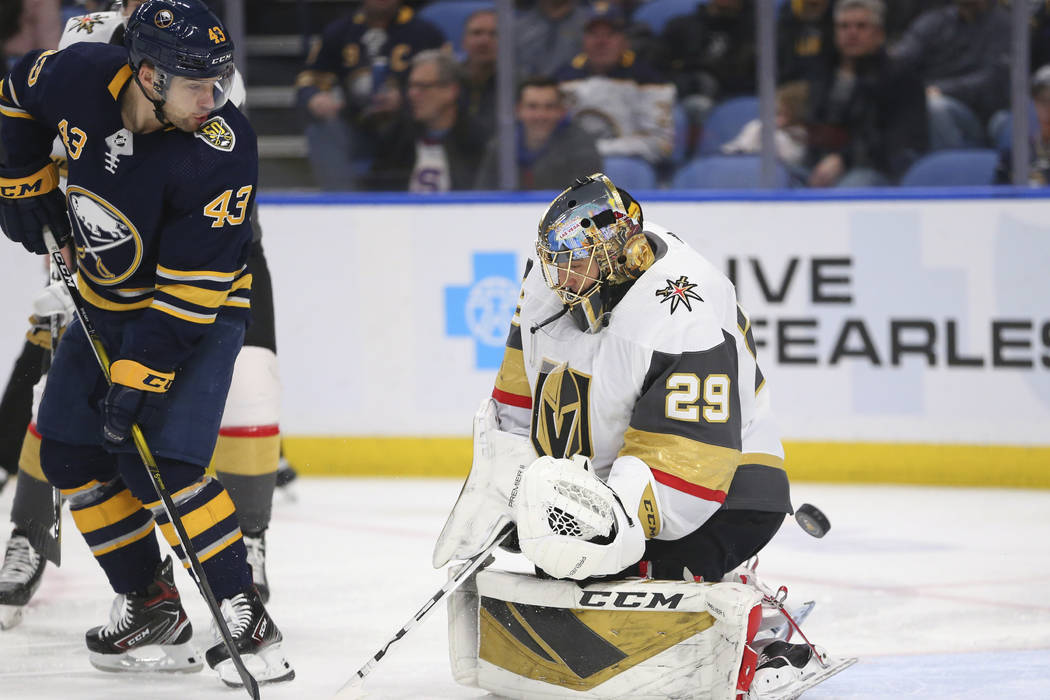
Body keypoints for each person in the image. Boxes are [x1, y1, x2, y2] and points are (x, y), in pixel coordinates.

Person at [432, 172, 847, 699]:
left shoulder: (683, 314)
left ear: (620, 258)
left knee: (622, 568)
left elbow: (688, 460)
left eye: (575, 262)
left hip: (725, 483)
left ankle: (760, 630)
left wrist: (604, 530)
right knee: (561, 562)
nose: (558, 276)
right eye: (553, 259)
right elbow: (518, 390)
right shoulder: (551, 278)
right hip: (604, 480)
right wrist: (510, 492)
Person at [0, 0, 293, 686]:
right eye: (195, 83)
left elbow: (189, 297)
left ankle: (246, 615)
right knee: (69, 453)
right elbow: (15, 90)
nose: (211, 97)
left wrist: (141, 373)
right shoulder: (78, 76)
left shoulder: (223, 147)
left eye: (217, 80)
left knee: (162, 460)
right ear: (146, 74)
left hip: (202, 310)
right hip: (103, 301)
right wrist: (19, 183)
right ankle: (151, 604)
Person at [295, 0, 446, 189]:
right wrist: (315, 98)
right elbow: (309, 78)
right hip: (355, 125)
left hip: (408, 128)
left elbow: (448, 82)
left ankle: (405, 201)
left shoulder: (425, 33)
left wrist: (406, 100)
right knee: (321, 132)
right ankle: (341, 203)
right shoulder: (339, 31)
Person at [805, 0, 927, 187]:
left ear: (879, 34)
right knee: (774, 177)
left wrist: (843, 160)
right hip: (819, 165)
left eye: (861, 26)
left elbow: (896, 142)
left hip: (874, 169)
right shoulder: (824, 73)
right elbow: (816, 126)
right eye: (843, 26)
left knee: (850, 189)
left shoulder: (900, 77)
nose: (851, 33)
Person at [555, 4, 674, 165]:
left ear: (625, 41)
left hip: (628, 167)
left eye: (610, 34)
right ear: (583, 40)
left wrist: (597, 149)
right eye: (593, 34)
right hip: (572, 166)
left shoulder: (648, 80)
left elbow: (661, 145)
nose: (601, 42)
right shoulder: (562, 79)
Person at [889, 0, 1009, 150]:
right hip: (926, 100)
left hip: (980, 116)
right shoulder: (934, 21)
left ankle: (950, 169)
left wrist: (940, 90)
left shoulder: (1004, 26)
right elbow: (903, 58)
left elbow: (992, 79)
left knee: (935, 107)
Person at [364, 49, 487, 191]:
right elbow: (377, 193)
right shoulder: (396, 137)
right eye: (411, 86)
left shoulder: (478, 140)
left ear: (451, 91)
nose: (412, 94)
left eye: (423, 87)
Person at [474, 76, 602, 190]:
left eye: (549, 107)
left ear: (562, 111)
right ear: (518, 110)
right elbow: (483, 194)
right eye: (532, 106)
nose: (540, 115)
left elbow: (586, 198)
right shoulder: (501, 147)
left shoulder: (581, 147)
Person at [655, 0, 756, 132]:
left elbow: (756, 78)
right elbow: (657, 68)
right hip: (679, 96)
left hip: (729, 103)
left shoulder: (756, 32)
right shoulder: (681, 26)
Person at [458, 8, 498, 142]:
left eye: (494, 34)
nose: (484, 41)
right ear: (463, 41)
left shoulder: (518, 86)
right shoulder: (446, 82)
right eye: (477, 33)